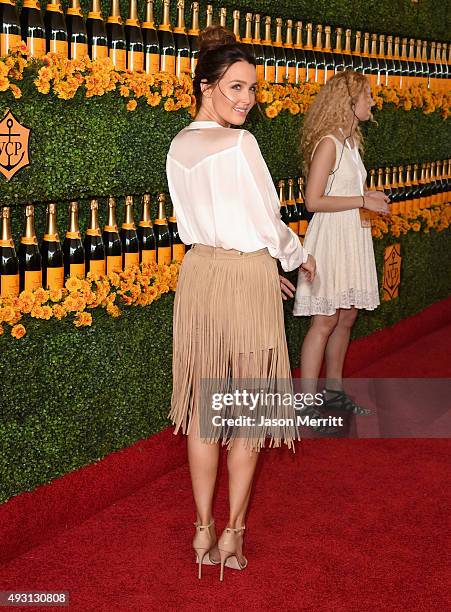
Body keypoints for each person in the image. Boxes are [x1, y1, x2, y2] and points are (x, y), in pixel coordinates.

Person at [166, 25, 315, 581]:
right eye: (235, 88)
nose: (246, 100)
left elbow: (202, 222)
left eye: (252, 89)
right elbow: (266, 223)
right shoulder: (239, 144)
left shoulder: (179, 144)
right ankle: (232, 533)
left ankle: (202, 526)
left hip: (201, 275)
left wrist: (256, 269)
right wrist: (295, 258)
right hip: (245, 277)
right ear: (206, 86)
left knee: (206, 410)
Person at [293, 69, 390, 415]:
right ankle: (305, 404)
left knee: (347, 315)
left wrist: (367, 195)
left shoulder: (351, 143)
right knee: (325, 319)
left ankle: (334, 394)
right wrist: (362, 201)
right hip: (331, 237)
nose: (372, 101)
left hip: (353, 235)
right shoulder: (329, 144)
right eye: (367, 95)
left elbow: (345, 191)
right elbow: (313, 201)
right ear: (350, 102)